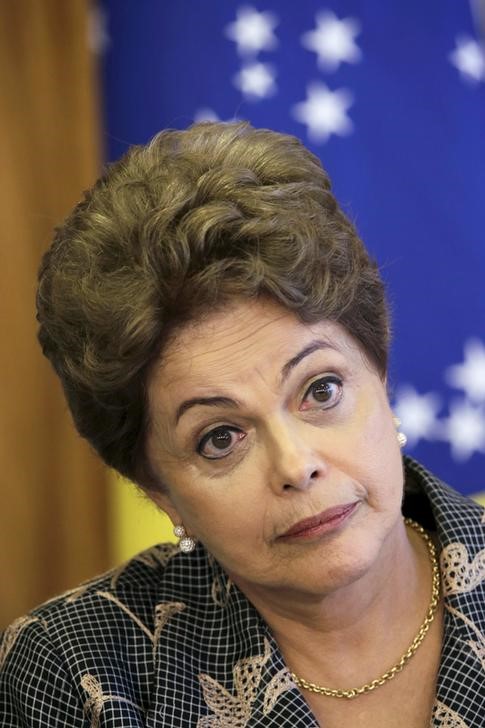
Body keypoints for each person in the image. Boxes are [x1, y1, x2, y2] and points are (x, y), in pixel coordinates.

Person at [1, 122, 483, 728]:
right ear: (158, 489)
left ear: (380, 377)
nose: (295, 464)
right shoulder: (77, 671)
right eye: (220, 437)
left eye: (320, 390)